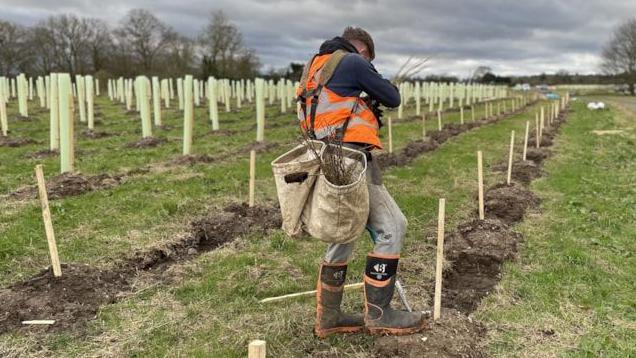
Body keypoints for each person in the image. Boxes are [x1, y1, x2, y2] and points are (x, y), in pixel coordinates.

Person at [296, 26, 427, 338]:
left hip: (326, 159)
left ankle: (328, 317)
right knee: (393, 225)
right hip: (352, 161)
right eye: (369, 58)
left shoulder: (313, 69)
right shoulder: (353, 62)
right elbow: (392, 97)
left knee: (345, 230)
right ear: (362, 49)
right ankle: (380, 314)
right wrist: (374, 84)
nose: (368, 64)